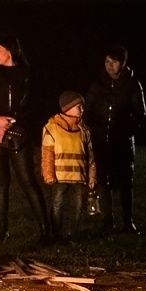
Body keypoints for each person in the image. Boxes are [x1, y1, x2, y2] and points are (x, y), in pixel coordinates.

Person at [0, 37, 51, 242]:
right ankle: (2, 231)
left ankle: (45, 230)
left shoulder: (26, 74)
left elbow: (27, 106)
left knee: (27, 180)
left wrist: (7, 125)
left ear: (9, 51)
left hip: (18, 132)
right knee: (1, 182)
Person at [86, 45, 146, 233]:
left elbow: (140, 113)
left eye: (114, 62)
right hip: (101, 140)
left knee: (125, 182)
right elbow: (88, 110)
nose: (110, 66)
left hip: (122, 142)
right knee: (103, 180)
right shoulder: (98, 85)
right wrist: (94, 129)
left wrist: (126, 132)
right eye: (107, 61)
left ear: (123, 63)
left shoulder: (132, 84)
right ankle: (107, 221)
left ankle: (127, 221)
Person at [40, 91, 97, 242]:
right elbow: (47, 154)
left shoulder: (84, 130)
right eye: (79, 106)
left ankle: (72, 234)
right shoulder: (52, 128)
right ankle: (56, 234)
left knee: (77, 207)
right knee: (58, 205)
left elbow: (90, 156)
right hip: (60, 177)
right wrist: (48, 175)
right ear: (68, 108)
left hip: (78, 177)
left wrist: (91, 177)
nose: (82, 109)